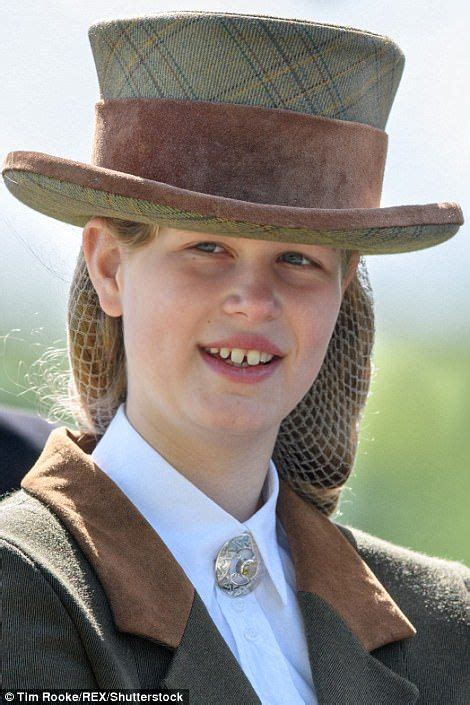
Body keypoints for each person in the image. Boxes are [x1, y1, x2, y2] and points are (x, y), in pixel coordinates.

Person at [0, 11, 468, 703]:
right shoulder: (25, 585)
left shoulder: (445, 623)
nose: (254, 299)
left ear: (341, 288)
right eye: (207, 248)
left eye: (298, 259)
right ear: (109, 266)